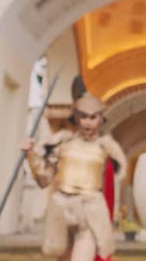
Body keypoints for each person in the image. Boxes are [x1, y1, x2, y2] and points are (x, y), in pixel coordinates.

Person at [21, 91, 126, 261]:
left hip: (90, 211)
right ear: (76, 118)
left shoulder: (107, 148)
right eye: (83, 116)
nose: (88, 122)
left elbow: (111, 181)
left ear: (100, 119)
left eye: (93, 117)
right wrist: (31, 155)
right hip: (61, 209)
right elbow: (44, 179)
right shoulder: (62, 143)